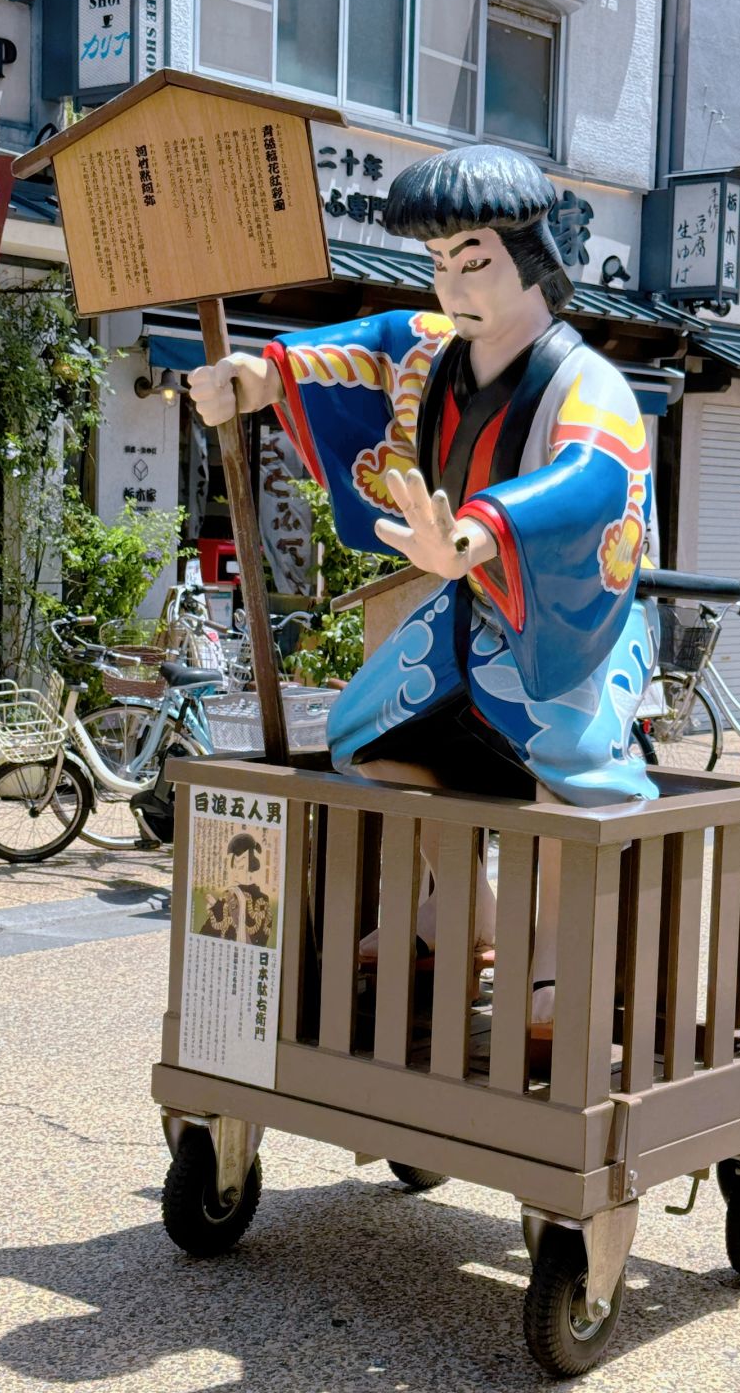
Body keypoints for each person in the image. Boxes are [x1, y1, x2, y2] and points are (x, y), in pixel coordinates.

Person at [188, 144, 659, 1041]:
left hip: (570, 626)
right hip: (468, 610)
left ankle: (562, 955)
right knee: (369, 733)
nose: (452, 284)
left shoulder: (589, 383)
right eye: (439, 263)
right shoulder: (431, 352)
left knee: (574, 759)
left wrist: (479, 531)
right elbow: (349, 357)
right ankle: (460, 911)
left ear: (534, 256)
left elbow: (592, 480)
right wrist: (247, 379)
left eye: (473, 259)